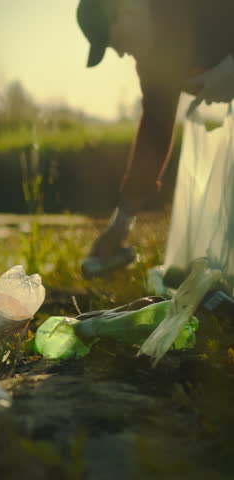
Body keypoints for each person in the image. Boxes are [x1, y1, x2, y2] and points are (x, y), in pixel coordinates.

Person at [76, 0, 234, 278]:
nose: (123, 53)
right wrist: (121, 223)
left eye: (118, 41)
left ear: (128, 8)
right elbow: (154, 135)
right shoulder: (151, 65)